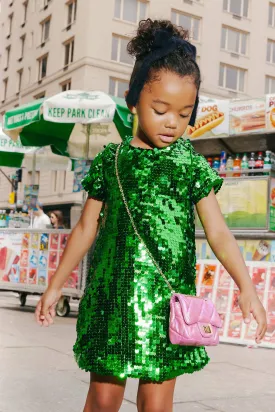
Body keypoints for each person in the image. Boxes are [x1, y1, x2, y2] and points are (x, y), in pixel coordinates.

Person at [35, 19, 267, 412]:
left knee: (157, 405)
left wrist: (247, 287)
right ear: (133, 101)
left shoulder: (189, 164)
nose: (173, 122)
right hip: (111, 299)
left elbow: (219, 232)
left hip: (167, 305)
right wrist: (55, 285)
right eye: (160, 109)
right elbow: (86, 227)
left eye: (184, 112)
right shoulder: (113, 160)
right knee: (103, 400)